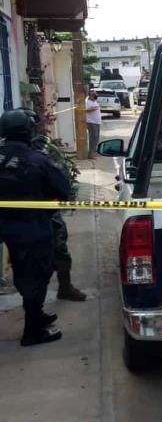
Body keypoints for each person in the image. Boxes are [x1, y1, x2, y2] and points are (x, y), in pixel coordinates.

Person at [0, 109, 72, 346]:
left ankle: (37, 316)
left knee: (23, 274)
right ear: (28, 131)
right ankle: (32, 332)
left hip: (5, 227)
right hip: (32, 229)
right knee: (36, 276)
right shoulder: (37, 160)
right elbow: (64, 189)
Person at [22, 110, 86, 301]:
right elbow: (63, 182)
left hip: (15, 218)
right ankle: (57, 291)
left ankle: (62, 288)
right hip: (43, 216)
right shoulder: (41, 151)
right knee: (56, 251)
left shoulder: (35, 148)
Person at [86, 90, 102, 158]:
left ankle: (94, 151)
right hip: (91, 121)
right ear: (90, 95)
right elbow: (86, 110)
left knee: (96, 137)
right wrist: (94, 108)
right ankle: (90, 153)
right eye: (94, 94)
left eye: (96, 94)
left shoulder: (94, 101)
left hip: (97, 122)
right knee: (93, 137)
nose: (96, 95)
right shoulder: (87, 102)